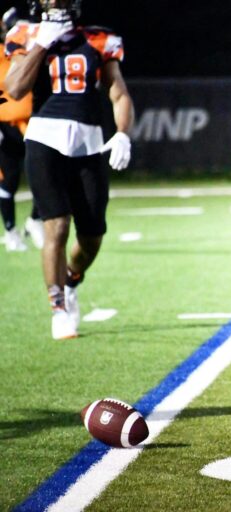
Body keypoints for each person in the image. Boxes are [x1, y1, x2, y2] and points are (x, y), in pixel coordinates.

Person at [5, 0, 134, 340]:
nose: (56, 2)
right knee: (56, 226)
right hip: (44, 138)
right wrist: (42, 44)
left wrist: (122, 132)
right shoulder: (26, 33)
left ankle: (71, 279)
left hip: (88, 141)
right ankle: (58, 306)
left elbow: (118, 93)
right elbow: (15, 88)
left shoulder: (99, 38)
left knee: (92, 236)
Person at [0, 7, 43, 252]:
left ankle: (35, 221)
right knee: (8, 181)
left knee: (45, 175)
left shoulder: (33, 48)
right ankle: (10, 231)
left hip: (33, 123)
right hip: (6, 126)